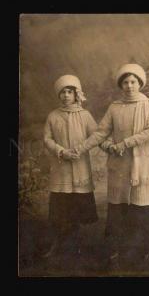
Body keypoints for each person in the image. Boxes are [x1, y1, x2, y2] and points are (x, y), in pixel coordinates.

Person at [74, 64, 149, 271]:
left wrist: (125, 143)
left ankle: (143, 252)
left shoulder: (148, 106)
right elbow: (101, 132)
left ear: (139, 83)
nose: (129, 86)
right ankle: (115, 250)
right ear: (121, 85)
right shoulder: (115, 107)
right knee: (117, 210)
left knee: (141, 210)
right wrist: (80, 148)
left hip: (141, 166)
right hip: (120, 166)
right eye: (125, 82)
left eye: (133, 82)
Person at [43, 74, 98, 258]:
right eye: (63, 92)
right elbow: (47, 139)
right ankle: (58, 244)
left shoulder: (85, 115)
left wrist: (81, 149)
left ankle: (76, 246)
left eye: (69, 92)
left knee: (77, 211)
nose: (66, 95)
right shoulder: (53, 116)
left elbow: (96, 136)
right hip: (61, 170)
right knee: (60, 210)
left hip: (80, 166)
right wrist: (61, 151)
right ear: (59, 95)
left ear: (77, 95)